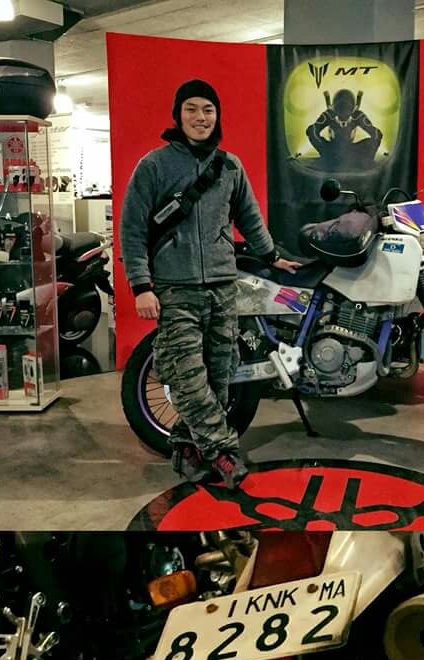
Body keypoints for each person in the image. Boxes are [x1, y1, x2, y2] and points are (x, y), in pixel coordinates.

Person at [121, 79, 300, 488]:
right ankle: (223, 451)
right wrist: (141, 285)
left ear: (217, 116)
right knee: (187, 377)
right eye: (192, 109)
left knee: (219, 376)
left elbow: (249, 218)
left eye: (208, 110)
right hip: (175, 287)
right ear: (178, 115)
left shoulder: (230, 166)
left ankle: (186, 447)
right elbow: (132, 229)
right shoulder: (154, 166)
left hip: (222, 285)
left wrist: (272, 256)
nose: (200, 118)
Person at [306, 88, 383, 171]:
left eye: (346, 108)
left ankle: (331, 158)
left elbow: (376, 134)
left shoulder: (357, 116)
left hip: (347, 151)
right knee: (311, 131)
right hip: (332, 149)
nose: (344, 112)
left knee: (377, 136)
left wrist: (368, 157)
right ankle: (331, 158)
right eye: (341, 108)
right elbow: (311, 131)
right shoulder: (329, 115)